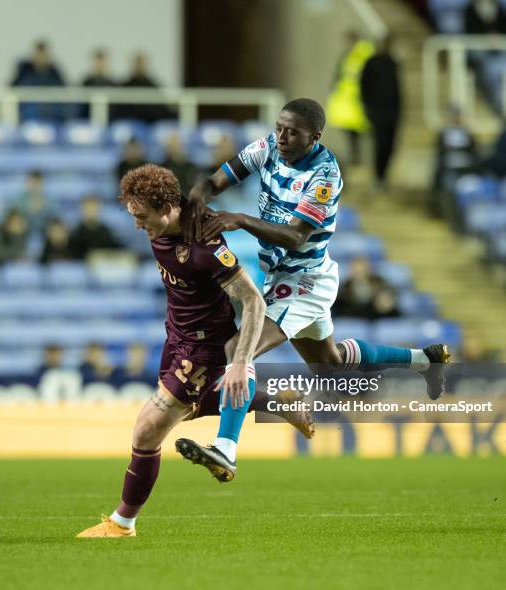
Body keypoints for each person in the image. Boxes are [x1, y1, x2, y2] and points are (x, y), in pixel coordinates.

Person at [180, 97, 451, 478]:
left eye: (292, 132)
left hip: (304, 280)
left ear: (315, 137)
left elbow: (295, 235)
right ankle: (426, 360)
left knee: (238, 348)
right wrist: (199, 195)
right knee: (334, 368)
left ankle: (226, 448)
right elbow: (219, 178)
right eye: (279, 128)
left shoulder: (325, 176)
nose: (282, 137)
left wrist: (239, 218)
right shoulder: (267, 148)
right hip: (282, 278)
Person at [75, 164, 266, 539]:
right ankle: (280, 400)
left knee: (147, 431)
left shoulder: (206, 246)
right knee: (188, 410)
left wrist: (240, 361)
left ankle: (122, 523)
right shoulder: (165, 220)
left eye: (141, 217)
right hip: (175, 337)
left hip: (202, 347)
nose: (136, 225)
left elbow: (253, 301)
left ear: (165, 209)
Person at [360, 34, 402, 192]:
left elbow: (397, 90)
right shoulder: (371, 63)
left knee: (391, 145)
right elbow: (364, 88)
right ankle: (378, 177)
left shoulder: (393, 63)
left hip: (392, 112)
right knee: (380, 144)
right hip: (377, 113)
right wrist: (368, 109)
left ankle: (385, 175)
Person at [326, 31, 374, 166]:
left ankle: (359, 162)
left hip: (356, 101)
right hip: (349, 103)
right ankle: (356, 161)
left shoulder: (359, 55)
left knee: (360, 134)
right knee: (352, 134)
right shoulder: (353, 55)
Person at [10, 40, 67, 122]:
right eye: (38, 54)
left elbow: (63, 90)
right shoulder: (25, 70)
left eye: (43, 54)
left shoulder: (54, 71)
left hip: (50, 109)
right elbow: (12, 87)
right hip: (28, 109)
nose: (41, 58)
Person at [14, 170, 53, 236]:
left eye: (38, 183)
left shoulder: (49, 201)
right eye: (33, 183)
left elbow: (53, 221)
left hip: (45, 235)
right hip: (23, 235)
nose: (35, 186)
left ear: (42, 183)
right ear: (28, 183)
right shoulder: (19, 201)